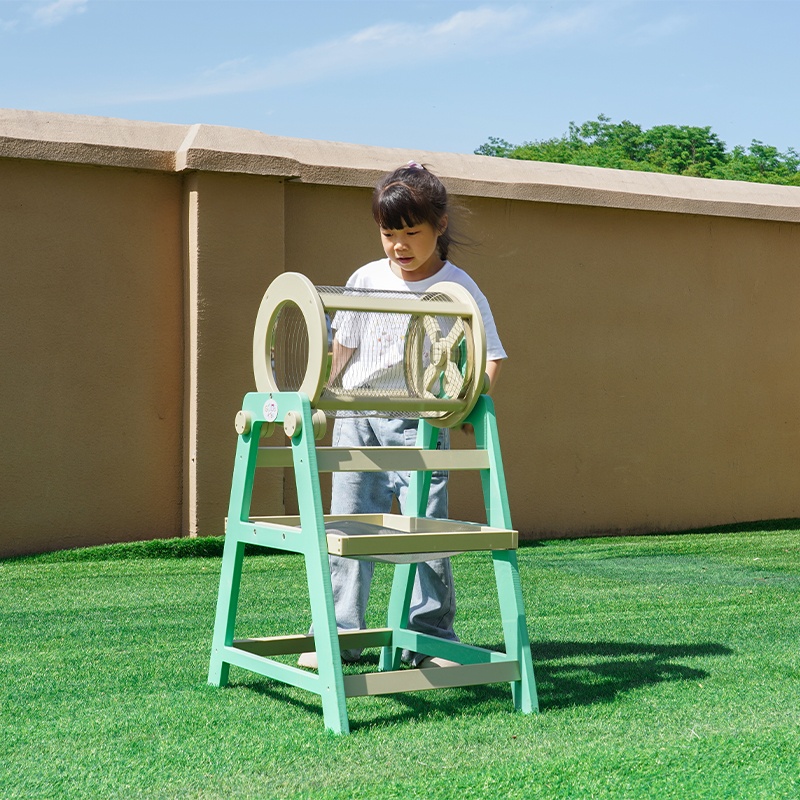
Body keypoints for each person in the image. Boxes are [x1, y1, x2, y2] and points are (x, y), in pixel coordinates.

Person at [298, 162, 506, 670]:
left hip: (423, 424)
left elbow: (492, 356)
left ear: (440, 226)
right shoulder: (365, 278)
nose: (400, 245)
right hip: (357, 417)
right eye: (389, 234)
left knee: (427, 530)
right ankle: (339, 636)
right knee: (347, 527)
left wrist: (464, 407)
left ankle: (428, 639)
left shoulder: (457, 287)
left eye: (412, 232)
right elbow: (342, 348)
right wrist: (315, 392)